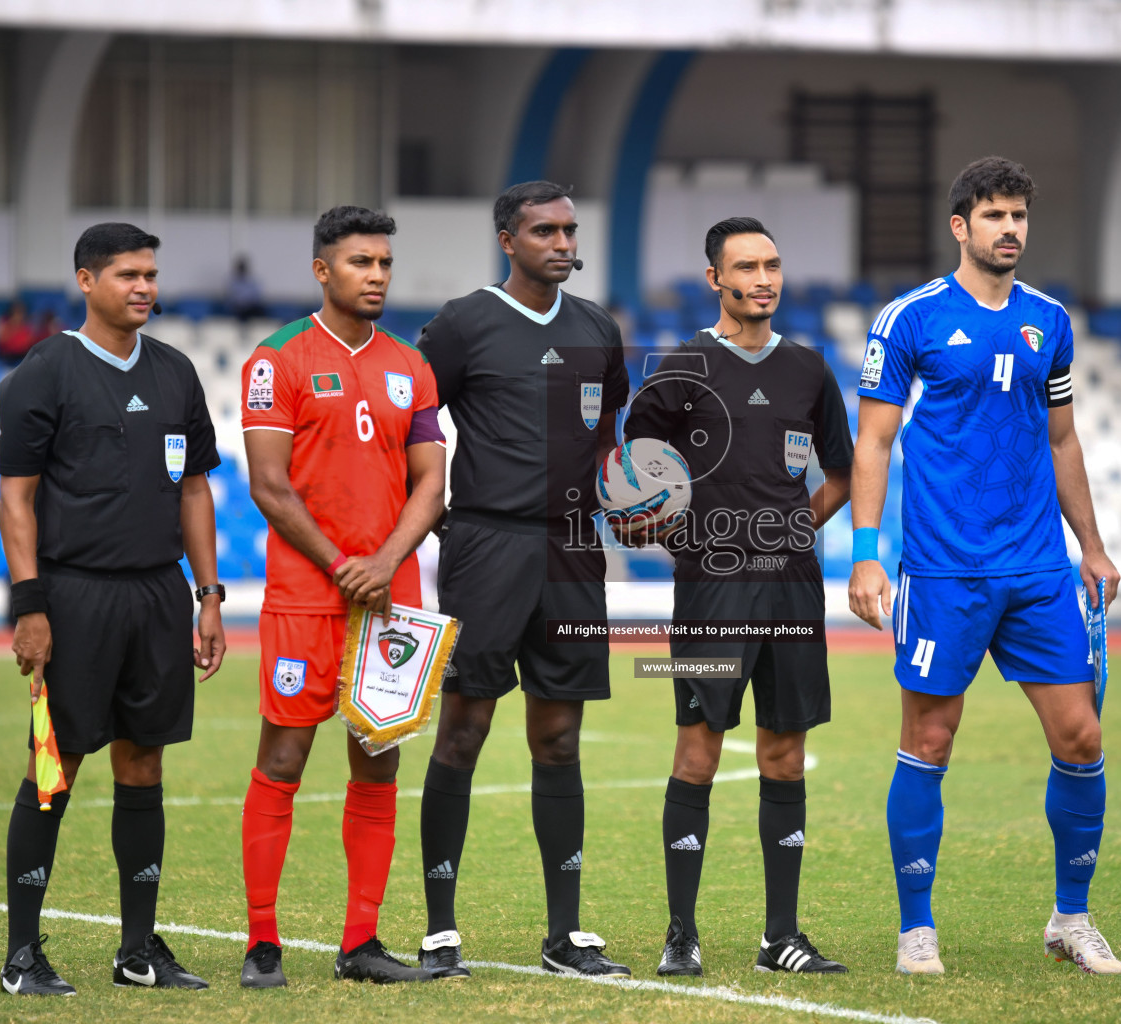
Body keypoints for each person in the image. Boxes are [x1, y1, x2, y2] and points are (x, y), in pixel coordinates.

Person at [847, 156, 1121, 976]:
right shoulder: (911, 319)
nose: (1011, 230)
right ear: (960, 226)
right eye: (995, 216)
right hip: (942, 569)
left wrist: (1094, 546)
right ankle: (916, 927)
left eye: (1020, 217)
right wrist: (867, 556)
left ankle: (1071, 919)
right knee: (929, 739)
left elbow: (1063, 437)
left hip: (1038, 564)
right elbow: (874, 439)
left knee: (1081, 736)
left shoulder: (1049, 320)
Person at [0, 222, 226, 995]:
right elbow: (16, 500)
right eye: (127, 274)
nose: (144, 287)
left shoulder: (176, 372)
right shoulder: (45, 370)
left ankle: (137, 952)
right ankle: (22, 954)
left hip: (158, 593)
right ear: (87, 281)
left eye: (151, 274)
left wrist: (209, 596)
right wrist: (30, 605)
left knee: (145, 760)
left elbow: (195, 489)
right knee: (54, 767)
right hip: (73, 593)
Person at [622, 217, 854, 977]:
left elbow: (842, 473)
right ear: (716, 279)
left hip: (791, 590)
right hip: (712, 593)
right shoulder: (681, 368)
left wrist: (791, 529)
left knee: (785, 754)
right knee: (699, 750)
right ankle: (680, 934)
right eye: (747, 267)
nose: (764, 279)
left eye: (773, 265)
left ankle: (779, 936)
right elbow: (631, 473)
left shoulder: (810, 370)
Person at [415, 180, 631, 978]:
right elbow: (414, 416)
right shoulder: (463, 322)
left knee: (559, 739)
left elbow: (606, 433)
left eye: (570, 230)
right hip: (488, 548)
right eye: (545, 231)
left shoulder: (597, 329)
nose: (563, 243)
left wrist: (628, 495)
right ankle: (441, 931)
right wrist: (429, 508)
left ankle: (565, 936)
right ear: (509, 240)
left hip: (574, 552)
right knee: (463, 730)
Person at [237, 206, 446, 987]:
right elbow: (269, 485)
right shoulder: (277, 358)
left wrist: (385, 562)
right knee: (283, 757)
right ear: (323, 270)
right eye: (361, 262)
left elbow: (432, 484)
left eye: (385, 263)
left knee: (378, 763)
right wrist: (340, 563)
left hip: (391, 602)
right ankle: (264, 944)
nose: (378, 276)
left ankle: (361, 944)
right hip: (304, 595)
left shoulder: (410, 365)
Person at [227, 256, 266, 321]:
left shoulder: (252, 282)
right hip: (238, 309)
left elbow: (257, 297)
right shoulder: (233, 283)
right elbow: (230, 298)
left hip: (251, 307)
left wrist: (249, 303)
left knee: (261, 311)